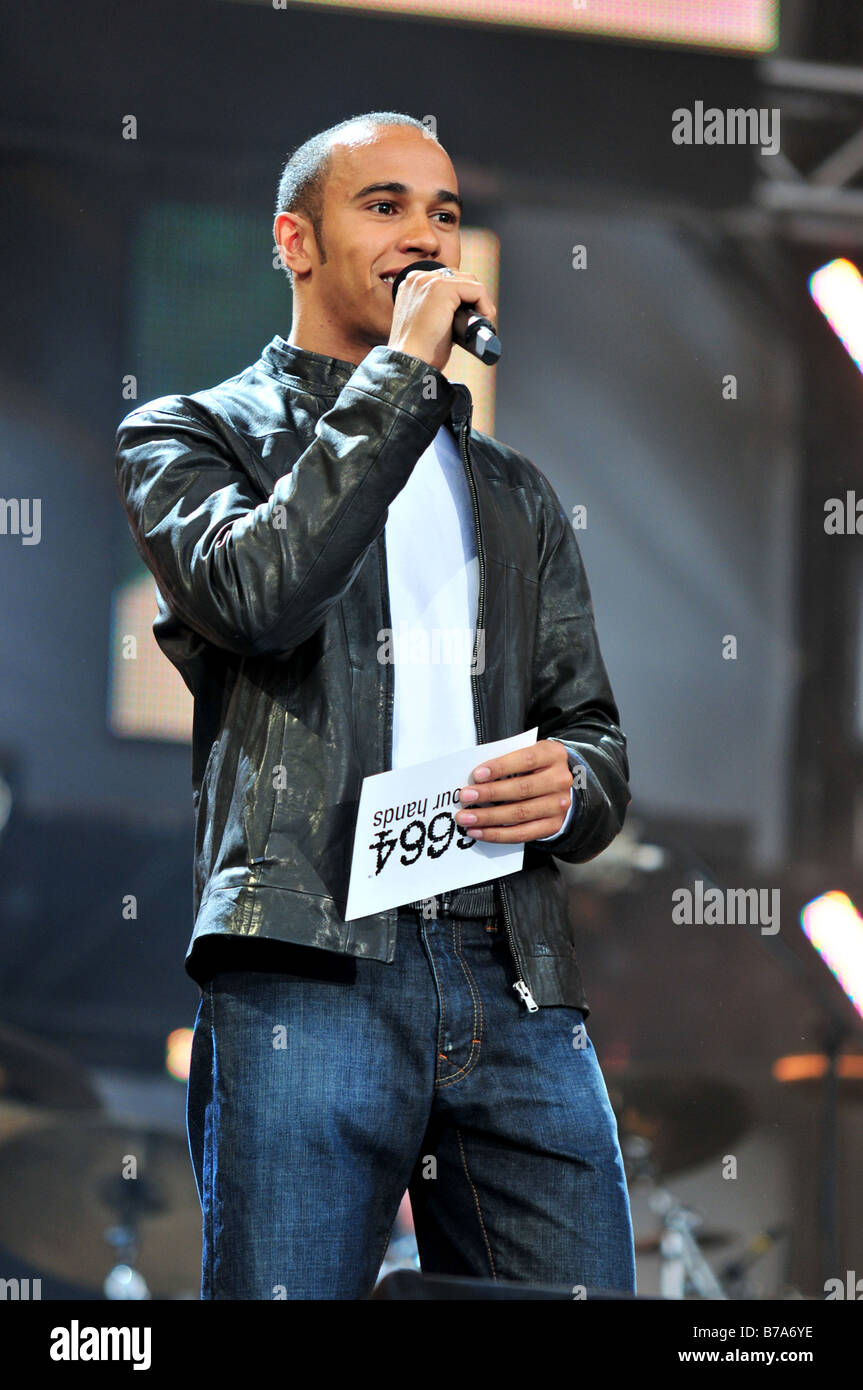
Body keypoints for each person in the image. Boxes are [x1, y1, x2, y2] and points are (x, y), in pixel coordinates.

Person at [114, 110, 636, 1300]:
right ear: (294, 241)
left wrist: (569, 788)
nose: (423, 233)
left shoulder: (512, 492)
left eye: (443, 212)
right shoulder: (191, 435)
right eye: (384, 205)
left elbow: (594, 736)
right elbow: (259, 596)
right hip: (310, 961)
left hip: (507, 966)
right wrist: (400, 374)